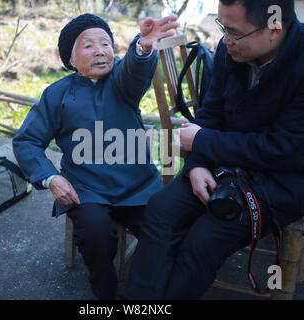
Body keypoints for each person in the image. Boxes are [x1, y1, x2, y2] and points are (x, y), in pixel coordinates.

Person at [125, 0, 304, 299]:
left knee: (204, 238)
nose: (225, 40)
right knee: (161, 211)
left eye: (233, 32)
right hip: (222, 166)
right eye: (222, 27)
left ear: (274, 27)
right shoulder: (230, 51)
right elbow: (211, 113)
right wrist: (197, 165)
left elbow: (283, 149)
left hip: (282, 181)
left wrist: (203, 142)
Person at [12, 13, 179, 300]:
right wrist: (51, 177)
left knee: (165, 232)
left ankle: (143, 294)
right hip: (87, 190)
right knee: (95, 235)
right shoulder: (56, 94)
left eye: (105, 43)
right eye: (88, 45)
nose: (100, 50)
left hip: (138, 185)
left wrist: (143, 49)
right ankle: (105, 291)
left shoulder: (123, 83)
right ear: (71, 59)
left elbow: (136, 70)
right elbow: (27, 140)